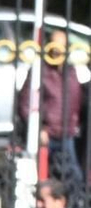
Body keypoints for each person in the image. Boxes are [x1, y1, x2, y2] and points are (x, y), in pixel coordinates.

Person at [15, 55, 87, 185]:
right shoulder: (40, 71)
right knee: (44, 180)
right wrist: (39, 129)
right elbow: (26, 104)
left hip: (69, 134)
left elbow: (80, 100)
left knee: (74, 179)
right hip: (47, 135)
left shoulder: (73, 71)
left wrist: (77, 123)